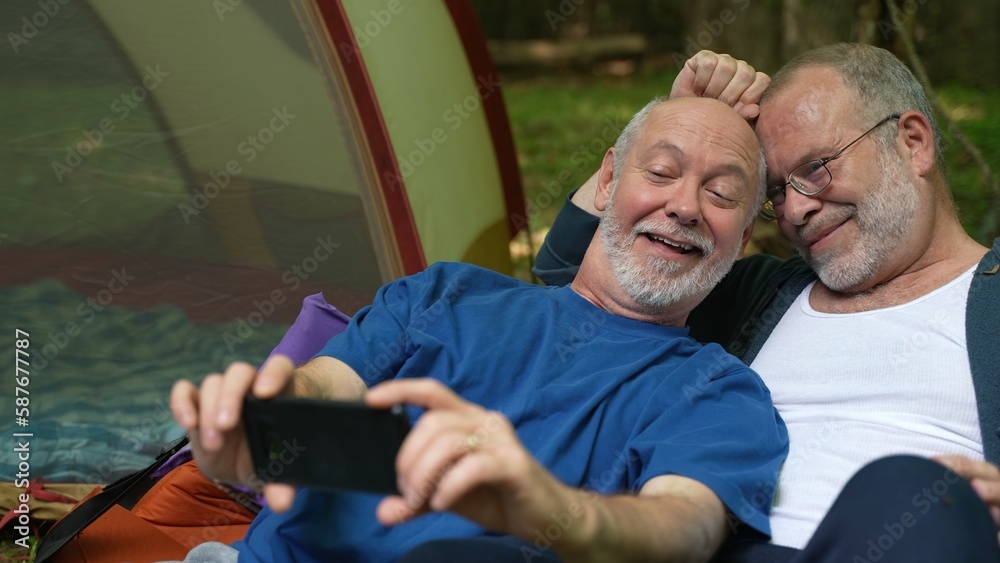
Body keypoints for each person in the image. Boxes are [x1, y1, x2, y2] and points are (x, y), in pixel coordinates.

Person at [168, 96, 789, 563]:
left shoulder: (717, 392)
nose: (684, 206)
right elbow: (328, 384)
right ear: (607, 182)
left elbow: (685, 525)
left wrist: (555, 511)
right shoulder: (446, 295)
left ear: (741, 240)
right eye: (660, 171)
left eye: (721, 194)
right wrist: (266, 416)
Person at [534, 44, 1000, 562]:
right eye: (777, 192)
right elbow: (573, 271)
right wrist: (683, 122)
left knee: (912, 493)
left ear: (912, 143)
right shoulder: (760, 292)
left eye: (816, 168)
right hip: (700, 544)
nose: (795, 210)